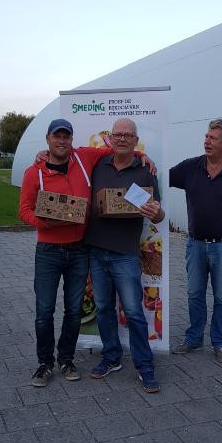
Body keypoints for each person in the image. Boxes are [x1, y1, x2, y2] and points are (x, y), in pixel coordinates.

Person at [20, 118, 155, 387]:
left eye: (66, 136)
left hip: (81, 250)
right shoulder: (34, 172)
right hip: (50, 251)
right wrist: (43, 222)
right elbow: (24, 210)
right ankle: (45, 364)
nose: (61, 141)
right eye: (56, 136)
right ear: (48, 139)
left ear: (72, 140)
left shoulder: (85, 158)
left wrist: (142, 155)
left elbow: (119, 148)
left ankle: (67, 360)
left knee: (75, 310)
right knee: (45, 311)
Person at [84, 117, 165, 393]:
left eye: (127, 135)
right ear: (110, 138)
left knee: (133, 311)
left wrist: (157, 213)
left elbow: (158, 213)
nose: (121, 138)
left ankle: (144, 365)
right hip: (96, 249)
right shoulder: (98, 165)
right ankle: (111, 357)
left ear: (135, 140)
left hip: (125, 254)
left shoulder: (145, 171)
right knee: (104, 308)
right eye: (117, 134)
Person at [170, 118, 222, 365]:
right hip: (195, 244)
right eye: (206, 136)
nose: (207, 141)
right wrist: (146, 161)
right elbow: (161, 176)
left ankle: (220, 343)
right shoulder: (190, 167)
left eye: (213, 138)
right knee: (194, 294)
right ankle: (194, 338)